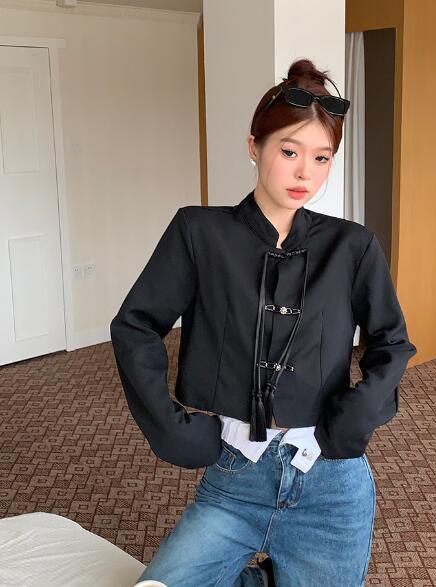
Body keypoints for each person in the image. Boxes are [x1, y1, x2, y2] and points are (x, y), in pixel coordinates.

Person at [110, 58, 417, 587]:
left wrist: (356, 416)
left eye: (321, 157)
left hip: (331, 484)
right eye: (289, 151)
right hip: (235, 477)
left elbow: (392, 342)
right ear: (254, 146)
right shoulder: (199, 233)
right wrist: (170, 428)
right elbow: (135, 325)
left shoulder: (353, 246)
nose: (305, 173)